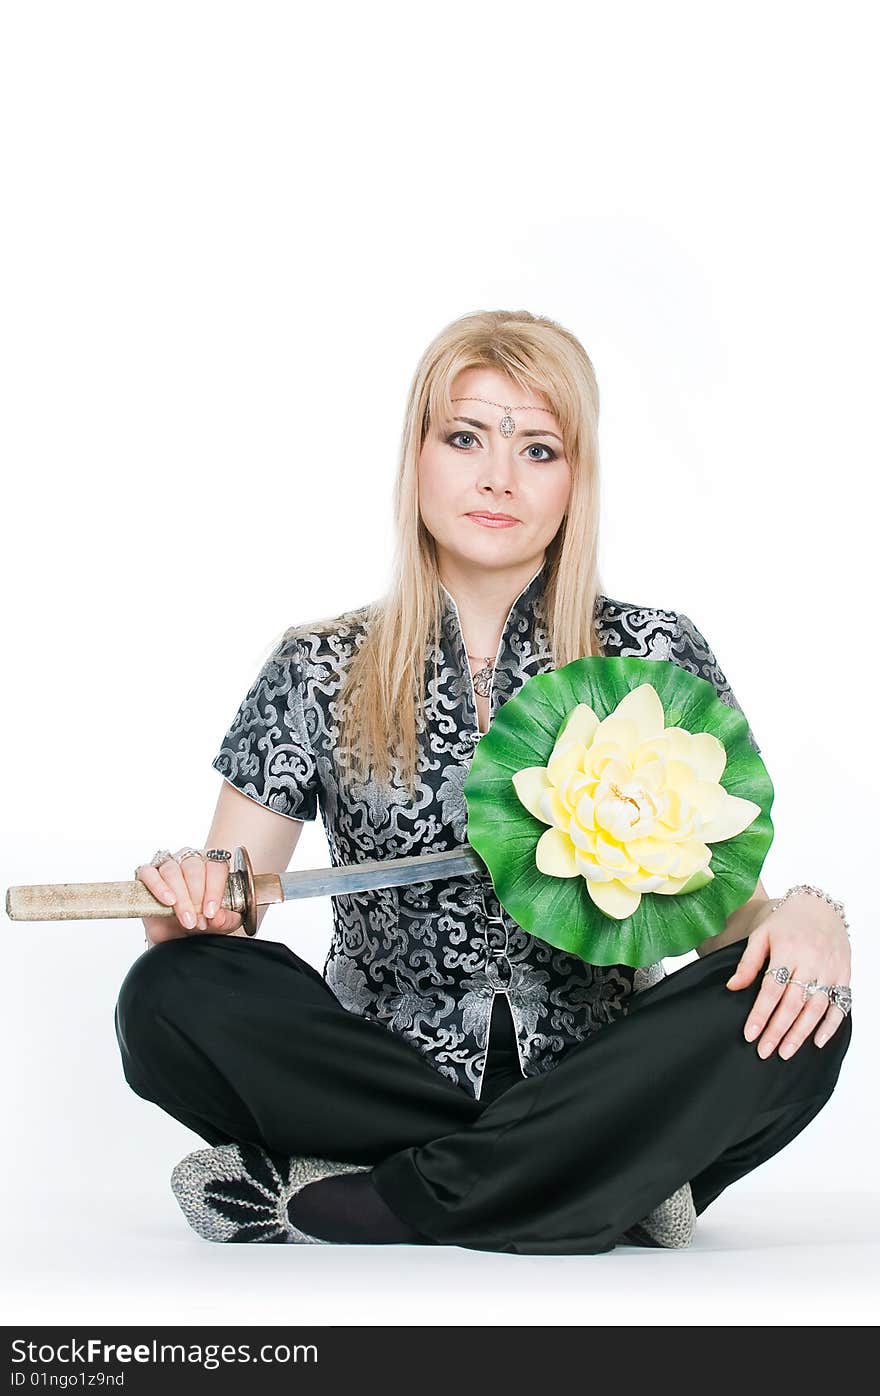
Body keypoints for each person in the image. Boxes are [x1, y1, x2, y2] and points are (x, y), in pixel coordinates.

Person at [114, 309, 853, 1255]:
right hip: (382, 1073)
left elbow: (723, 923)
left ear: (575, 480)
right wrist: (183, 907)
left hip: (601, 1066)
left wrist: (808, 915)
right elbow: (231, 900)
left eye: (538, 449)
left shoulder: (653, 653)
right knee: (168, 993)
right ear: (417, 455)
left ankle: (374, 1197)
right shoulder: (319, 665)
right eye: (466, 437)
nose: (498, 477)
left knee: (800, 1010)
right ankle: (610, 1182)